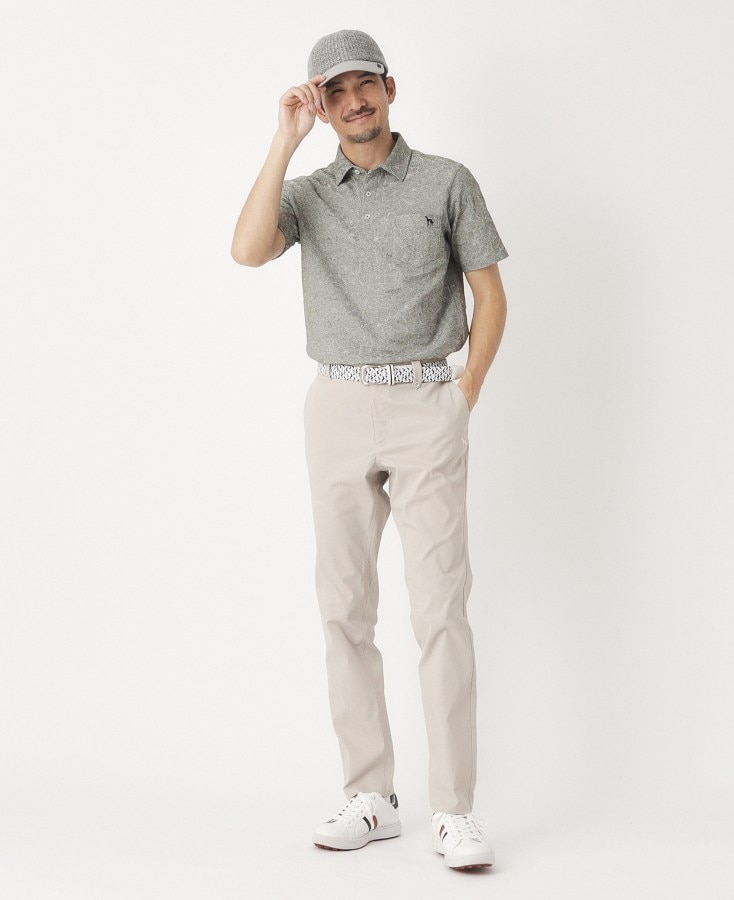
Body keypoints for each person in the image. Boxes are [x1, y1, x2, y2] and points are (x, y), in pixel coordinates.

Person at [231, 29, 509, 871]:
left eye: (364, 85)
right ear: (321, 103)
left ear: (390, 88)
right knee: (344, 606)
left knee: (440, 608)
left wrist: (462, 394)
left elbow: (490, 295)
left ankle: (454, 809)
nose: (353, 101)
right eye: (334, 91)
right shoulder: (309, 193)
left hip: (427, 400)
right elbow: (247, 250)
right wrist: (285, 138)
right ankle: (372, 796)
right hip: (339, 404)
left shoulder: (446, 181)